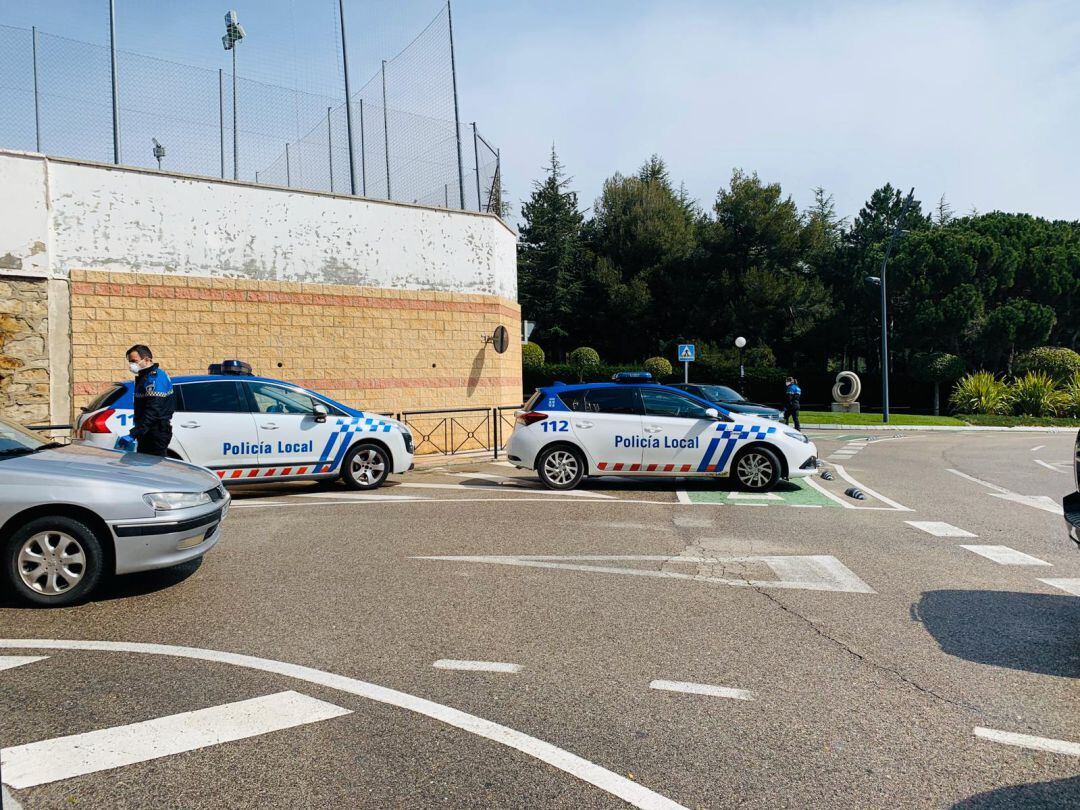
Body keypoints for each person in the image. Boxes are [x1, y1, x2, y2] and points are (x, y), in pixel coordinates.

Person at [122, 344, 175, 456]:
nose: (132, 365)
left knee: (153, 465)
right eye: (130, 362)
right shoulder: (145, 377)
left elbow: (153, 411)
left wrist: (134, 433)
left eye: (134, 361)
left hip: (155, 432)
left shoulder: (155, 378)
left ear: (147, 360)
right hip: (147, 432)